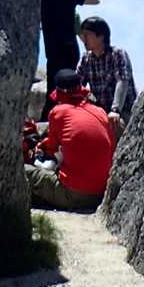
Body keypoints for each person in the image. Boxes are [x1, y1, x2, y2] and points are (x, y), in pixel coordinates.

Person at [26, 68, 114, 211]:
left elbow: (51, 149)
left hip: (74, 194)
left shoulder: (58, 112)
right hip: (101, 194)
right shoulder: (100, 112)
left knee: (24, 171)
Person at [40, 0, 100, 116]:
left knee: (52, 91)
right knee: (68, 91)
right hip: (68, 52)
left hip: (51, 53)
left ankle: (49, 119)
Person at [77, 16, 137, 139]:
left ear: (101, 36)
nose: (84, 39)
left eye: (87, 34)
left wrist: (115, 110)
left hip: (123, 112)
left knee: (114, 126)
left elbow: (122, 81)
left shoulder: (117, 54)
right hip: (100, 113)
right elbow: (77, 85)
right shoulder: (86, 59)